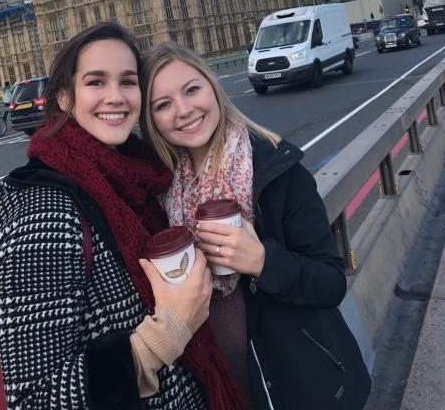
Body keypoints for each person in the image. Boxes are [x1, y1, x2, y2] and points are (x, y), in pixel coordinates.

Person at [0, 23, 247, 410]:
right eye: (95, 82)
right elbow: (33, 398)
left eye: (127, 82)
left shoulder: (136, 180)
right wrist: (165, 335)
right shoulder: (40, 210)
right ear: (62, 97)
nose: (116, 97)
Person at [140, 42, 371, 410]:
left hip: (297, 388)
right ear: (150, 120)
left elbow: (330, 282)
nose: (184, 110)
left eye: (192, 89)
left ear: (212, 88)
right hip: (214, 389)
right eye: (162, 105)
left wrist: (264, 262)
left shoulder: (277, 173)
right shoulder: (155, 192)